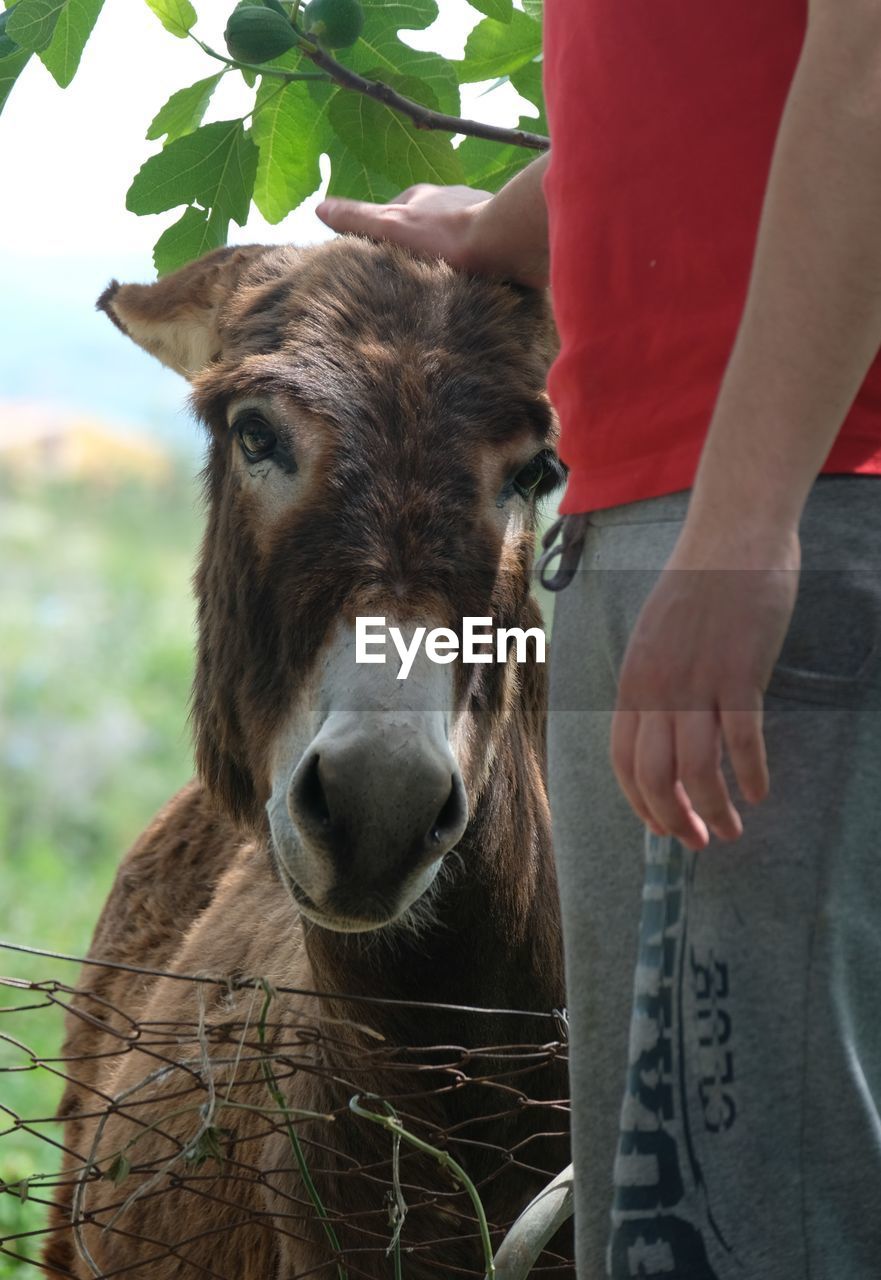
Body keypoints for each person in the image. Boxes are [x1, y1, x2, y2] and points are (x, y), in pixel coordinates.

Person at [317, 1, 881, 1276]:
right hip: (676, 526)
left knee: (753, 1225)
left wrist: (744, 528)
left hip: (788, 509)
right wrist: (501, 223)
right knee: (665, 1215)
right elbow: (701, 94)